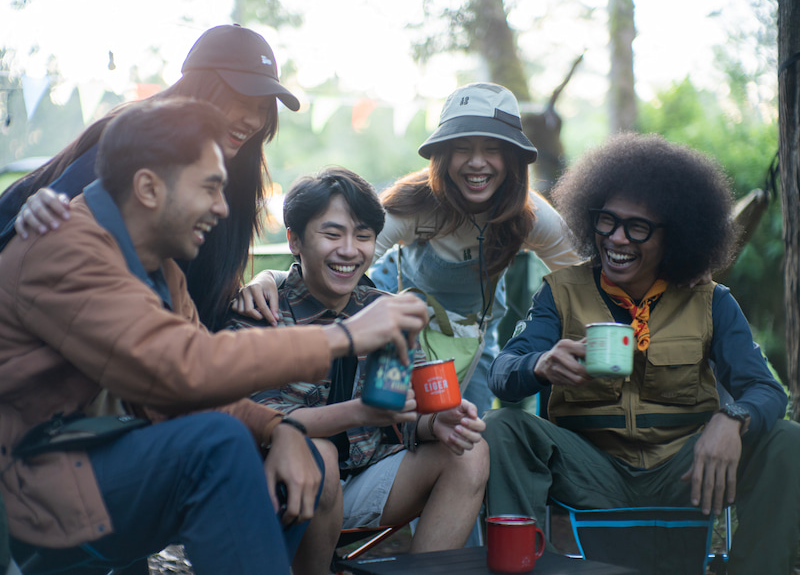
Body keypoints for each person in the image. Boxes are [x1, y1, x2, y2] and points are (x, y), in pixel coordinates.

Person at [0, 99, 428, 575]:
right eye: (210, 188)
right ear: (148, 188)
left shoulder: (159, 268)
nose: (223, 209)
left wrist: (278, 429)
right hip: (26, 481)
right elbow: (186, 365)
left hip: (89, 461)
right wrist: (342, 337)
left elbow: (199, 391)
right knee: (218, 443)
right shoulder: (66, 245)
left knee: (287, 456)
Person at [483, 132, 800, 574]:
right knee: (501, 427)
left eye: (638, 227)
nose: (616, 238)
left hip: (686, 473)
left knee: (787, 440)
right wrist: (538, 363)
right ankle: (523, 565)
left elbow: (767, 389)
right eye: (606, 220)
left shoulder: (711, 301)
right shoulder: (560, 292)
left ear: (676, 236)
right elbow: (501, 374)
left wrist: (733, 419)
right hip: (591, 471)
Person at [234, 82, 582, 419]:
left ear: (513, 160)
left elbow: (580, 276)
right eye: (463, 148)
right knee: (405, 424)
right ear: (443, 156)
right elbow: (341, 257)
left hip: (474, 334)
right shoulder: (413, 204)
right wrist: (272, 277)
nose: (477, 162)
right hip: (402, 324)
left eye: (492, 149)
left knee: (472, 429)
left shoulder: (529, 216)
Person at [229, 167, 489, 569]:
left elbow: (403, 414)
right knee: (320, 454)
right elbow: (262, 422)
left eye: (363, 236)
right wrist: (358, 412)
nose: (349, 250)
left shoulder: (385, 310)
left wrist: (434, 424)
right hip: (281, 487)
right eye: (332, 234)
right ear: (295, 240)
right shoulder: (262, 311)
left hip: (369, 480)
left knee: (470, 451)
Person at [0, 23, 299, 331]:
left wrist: (262, 281)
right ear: (203, 89)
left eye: (262, 108)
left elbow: (204, 279)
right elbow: (46, 224)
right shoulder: (135, 142)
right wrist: (40, 207)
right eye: (242, 100)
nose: (253, 120)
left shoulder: (233, 163)